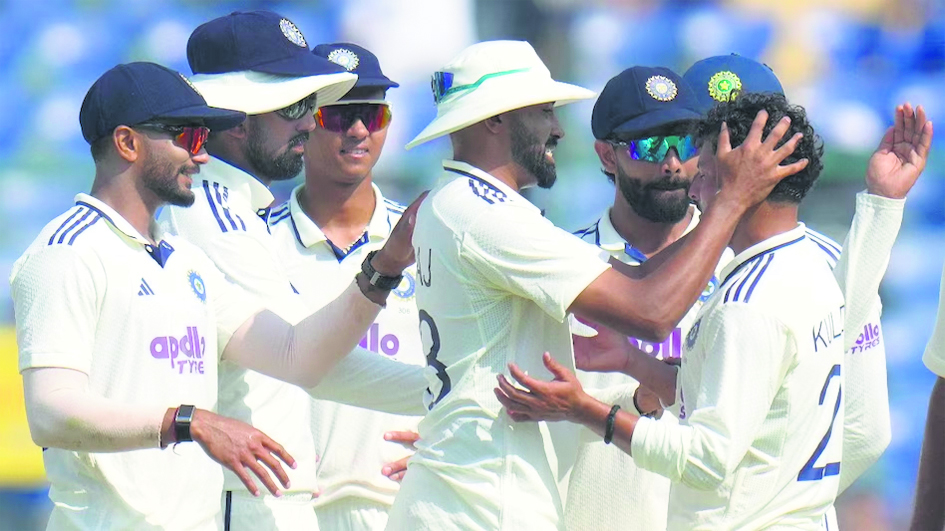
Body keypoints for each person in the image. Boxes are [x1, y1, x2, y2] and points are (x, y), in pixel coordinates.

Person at [391, 39, 808, 530]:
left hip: (481, 497)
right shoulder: (485, 212)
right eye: (544, 111)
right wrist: (732, 202)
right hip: (485, 507)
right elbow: (652, 313)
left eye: (686, 142)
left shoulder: (464, 204)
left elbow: (640, 280)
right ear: (496, 119)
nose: (557, 129)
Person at [495, 92, 933, 529]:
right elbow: (738, 396)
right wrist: (631, 360)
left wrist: (585, 410)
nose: (692, 189)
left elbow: (705, 460)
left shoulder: (747, 302)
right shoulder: (815, 269)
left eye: (703, 173)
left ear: (741, 181)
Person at [11, 61, 417, 531]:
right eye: (188, 137)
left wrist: (383, 270)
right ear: (127, 143)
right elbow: (50, 413)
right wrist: (189, 421)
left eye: (203, 138)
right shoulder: (67, 251)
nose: (201, 157)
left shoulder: (186, 262)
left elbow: (298, 355)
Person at [158, 12, 427, 529]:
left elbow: (309, 360)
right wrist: (385, 268)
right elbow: (302, 357)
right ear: (237, 117)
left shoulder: (231, 211)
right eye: (296, 106)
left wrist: (453, 401)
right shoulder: (210, 215)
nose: (309, 123)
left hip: (271, 495)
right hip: (246, 499)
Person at [686, 54, 916, 529]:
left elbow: (863, 431)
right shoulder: (822, 260)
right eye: (704, 139)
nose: (724, 157)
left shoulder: (821, 263)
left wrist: (768, 508)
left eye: (738, 139)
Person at [565, 65, 732, 531]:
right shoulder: (566, 263)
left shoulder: (737, 262)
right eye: (651, 146)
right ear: (606, 155)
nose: (673, 164)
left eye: (685, 142)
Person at [268, 42, 424, 530]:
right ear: (302, 122)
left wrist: (453, 438)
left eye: (372, 116)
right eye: (338, 116)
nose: (358, 130)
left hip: (408, 505)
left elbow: (476, 363)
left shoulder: (427, 236)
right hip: (291, 509)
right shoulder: (257, 242)